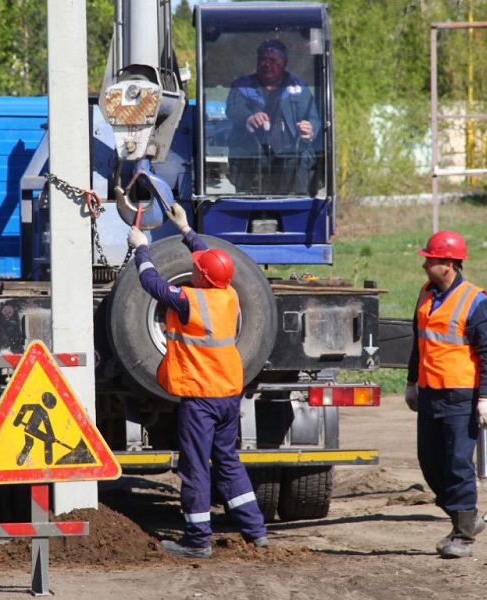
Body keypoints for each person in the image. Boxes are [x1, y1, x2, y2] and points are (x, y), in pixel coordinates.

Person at [126, 205, 268, 559]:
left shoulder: (190, 300)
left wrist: (140, 246)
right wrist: (186, 228)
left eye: (195, 271)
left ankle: (197, 539)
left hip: (201, 397)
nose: (192, 271)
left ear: (202, 277)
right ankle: (256, 531)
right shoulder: (229, 294)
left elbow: (151, 283)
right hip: (229, 393)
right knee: (228, 460)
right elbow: (208, 259)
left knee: (195, 467)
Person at [405, 230, 487, 559]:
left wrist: (486, 396)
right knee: (430, 461)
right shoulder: (425, 294)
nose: (424, 265)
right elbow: (418, 343)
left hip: (461, 395)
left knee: (459, 463)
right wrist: (411, 383)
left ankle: (463, 536)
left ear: (448, 264)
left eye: (429, 260)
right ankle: (466, 517)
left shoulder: (476, 300)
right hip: (430, 393)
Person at [225, 39, 320, 194]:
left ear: (284, 63)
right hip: (250, 161)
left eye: (272, 60)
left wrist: (310, 130)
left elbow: (313, 118)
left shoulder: (299, 88)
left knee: (297, 168)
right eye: (262, 59)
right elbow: (233, 108)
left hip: (291, 161)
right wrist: (249, 118)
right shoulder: (242, 86)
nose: (266, 64)